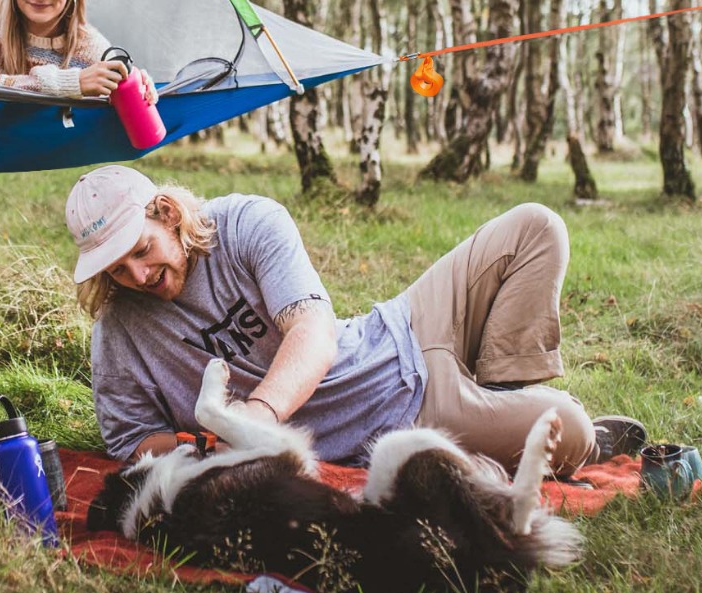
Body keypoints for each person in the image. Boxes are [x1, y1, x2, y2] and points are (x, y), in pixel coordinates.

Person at [64, 165, 645, 474]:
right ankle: (551, 440)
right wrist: (214, 442)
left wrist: (256, 416)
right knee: (568, 426)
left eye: (142, 250)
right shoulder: (118, 332)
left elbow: (314, 331)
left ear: (166, 213)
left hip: (398, 330)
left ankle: (494, 393)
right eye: (116, 269)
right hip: (399, 414)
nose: (137, 276)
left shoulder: (243, 223)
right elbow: (132, 442)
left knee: (538, 225)